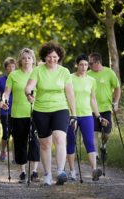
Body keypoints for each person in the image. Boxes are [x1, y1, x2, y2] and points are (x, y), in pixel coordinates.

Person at [25, 42, 77, 186]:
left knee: (60, 138)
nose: (52, 59)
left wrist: (74, 115)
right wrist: (29, 94)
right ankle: (47, 174)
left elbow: (70, 94)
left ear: (59, 57)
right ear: (44, 57)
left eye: (55, 56)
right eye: (49, 56)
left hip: (60, 108)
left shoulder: (64, 71)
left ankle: (60, 171)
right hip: (41, 110)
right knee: (45, 144)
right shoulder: (37, 70)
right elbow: (29, 86)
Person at [66, 54, 109, 182]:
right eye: (81, 64)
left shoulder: (91, 80)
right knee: (71, 143)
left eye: (86, 64)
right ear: (77, 65)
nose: (84, 67)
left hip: (87, 115)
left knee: (89, 142)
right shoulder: (70, 78)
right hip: (71, 115)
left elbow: (93, 99)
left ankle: (94, 170)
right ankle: (72, 171)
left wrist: (98, 116)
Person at [2, 48, 40, 183]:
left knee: (35, 141)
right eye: (24, 58)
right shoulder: (13, 75)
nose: (26, 60)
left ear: (33, 60)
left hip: (35, 112)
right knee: (20, 142)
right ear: (20, 60)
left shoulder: (38, 73)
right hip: (18, 113)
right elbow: (6, 93)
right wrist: (4, 100)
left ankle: (34, 171)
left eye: (29, 58)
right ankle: (22, 172)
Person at [86, 52, 121, 161]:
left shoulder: (109, 73)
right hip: (91, 108)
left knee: (106, 134)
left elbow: (117, 88)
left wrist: (115, 103)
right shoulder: (87, 74)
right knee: (94, 133)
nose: (88, 66)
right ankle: (95, 155)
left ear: (98, 63)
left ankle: (103, 145)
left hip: (106, 108)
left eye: (90, 63)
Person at [0, 58, 16, 163]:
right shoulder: (0, 80)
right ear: (5, 68)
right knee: (6, 133)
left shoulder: (18, 78)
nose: (11, 68)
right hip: (5, 110)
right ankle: (3, 151)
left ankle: (14, 156)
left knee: (15, 134)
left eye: (13, 66)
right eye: (9, 66)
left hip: (17, 110)